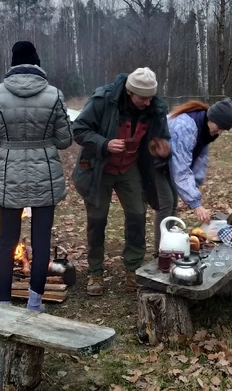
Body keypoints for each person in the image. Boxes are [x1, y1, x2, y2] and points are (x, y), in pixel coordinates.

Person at [0, 41, 73, 312]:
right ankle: (35, 302)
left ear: (13, 64)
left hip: (10, 172)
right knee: (41, 239)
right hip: (44, 173)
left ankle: (3, 302)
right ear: (37, 63)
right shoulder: (54, 95)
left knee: (8, 241)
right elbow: (65, 139)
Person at [72, 67, 170, 296]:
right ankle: (95, 272)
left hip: (130, 168)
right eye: (142, 98)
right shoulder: (103, 100)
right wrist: (104, 143)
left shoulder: (155, 107)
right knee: (97, 220)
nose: (147, 102)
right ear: (129, 92)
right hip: (100, 168)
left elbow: (161, 135)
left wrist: (160, 145)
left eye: (150, 97)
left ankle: (133, 270)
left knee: (137, 215)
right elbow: (78, 129)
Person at [153, 99, 232, 252]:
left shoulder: (206, 129)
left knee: (172, 205)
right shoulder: (185, 126)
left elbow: (199, 157)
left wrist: (195, 183)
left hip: (169, 163)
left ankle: (169, 247)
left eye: (224, 130)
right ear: (212, 119)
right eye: (220, 127)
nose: (220, 132)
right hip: (154, 161)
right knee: (166, 204)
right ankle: (160, 253)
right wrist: (195, 203)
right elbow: (181, 166)